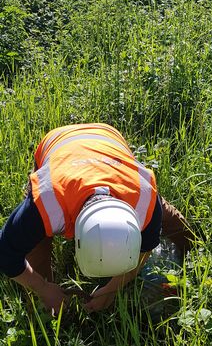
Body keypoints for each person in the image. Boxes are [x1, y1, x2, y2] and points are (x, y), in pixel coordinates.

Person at [0, 123, 194, 314]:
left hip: (107, 137)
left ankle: (195, 253)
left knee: (174, 224)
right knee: (37, 246)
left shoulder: (144, 201)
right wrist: (42, 288)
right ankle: (45, 310)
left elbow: (145, 249)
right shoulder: (45, 204)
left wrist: (112, 288)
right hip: (57, 142)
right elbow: (6, 253)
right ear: (76, 234)